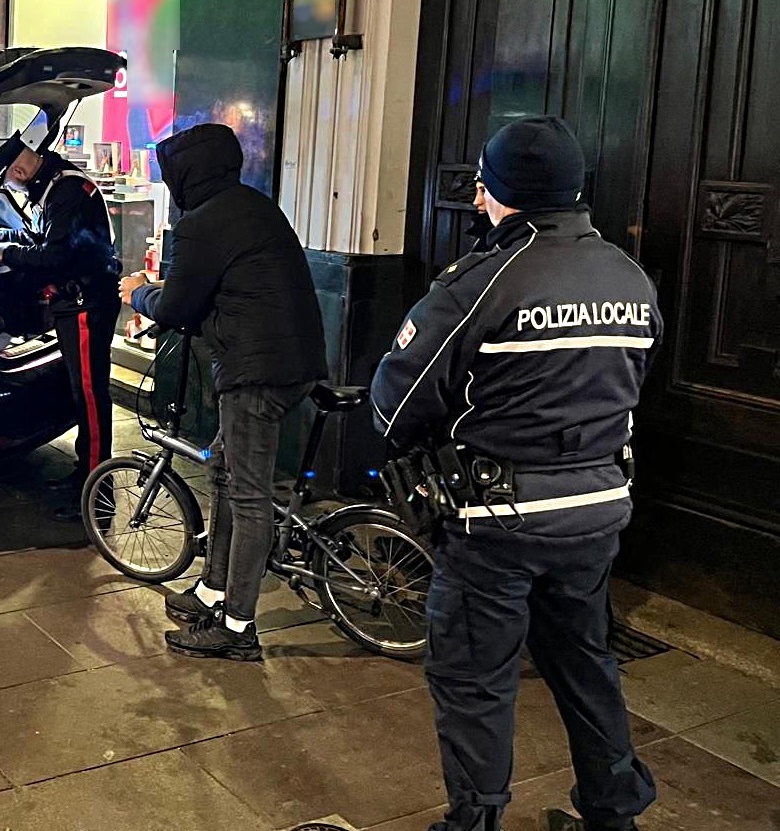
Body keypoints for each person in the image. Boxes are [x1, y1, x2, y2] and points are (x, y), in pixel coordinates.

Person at [370, 116, 659, 831]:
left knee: (474, 676)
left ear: (500, 191)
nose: (474, 196)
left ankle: (474, 820)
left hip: (497, 524)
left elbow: (392, 403)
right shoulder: (629, 277)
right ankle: (613, 811)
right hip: (597, 513)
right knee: (585, 661)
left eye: (481, 183)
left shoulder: (480, 282)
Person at [123, 123, 327, 660]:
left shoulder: (201, 223)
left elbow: (176, 309)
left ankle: (238, 628)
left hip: (255, 374)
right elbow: (215, 282)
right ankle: (213, 588)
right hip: (290, 361)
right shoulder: (251, 206)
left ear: (186, 176)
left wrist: (140, 294)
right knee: (222, 471)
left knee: (249, 496)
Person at [0, 131, 121, 522]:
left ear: (20, 167)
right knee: (82, 392)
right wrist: (7, 238)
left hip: (85, 304)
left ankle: (96, 494)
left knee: (90, 397)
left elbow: (57, 256)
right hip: (78, 303)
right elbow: (53, 238)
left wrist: (8, 252)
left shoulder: (66, 192)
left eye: (8, 177)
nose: (10, 184)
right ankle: (85, 475)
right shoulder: (58, 186)